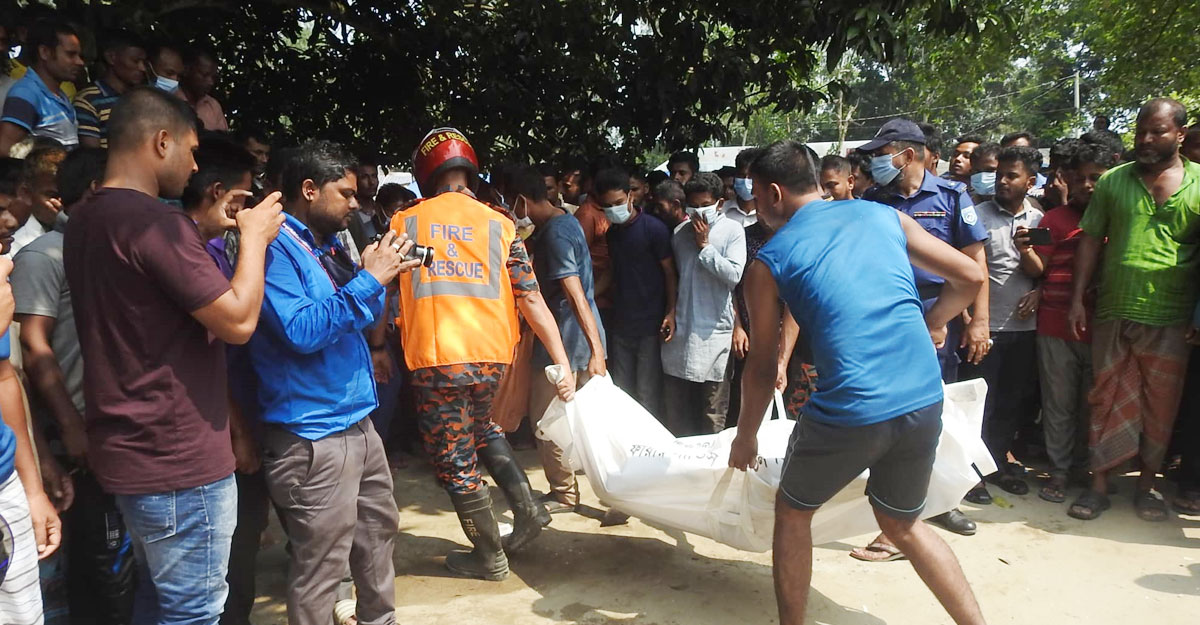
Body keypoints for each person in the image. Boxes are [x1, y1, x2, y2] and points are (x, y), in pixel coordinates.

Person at [729, 139, 986, 625]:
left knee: (792, 511)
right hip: (924, 394)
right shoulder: (881, 216)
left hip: (854, 406)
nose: (754, 202)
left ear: (774, 193)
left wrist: (746, 436)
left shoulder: (770, 261)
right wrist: (936, 321)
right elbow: (970, 276)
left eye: (755, 193)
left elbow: (762, 367)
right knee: (902, 524)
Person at [62, 87, 284, 625]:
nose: (192, 167)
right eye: (188, 151)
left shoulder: (86, 220)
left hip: (130, 450)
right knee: (194, 610)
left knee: (157, 599)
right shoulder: (156, 225)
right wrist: (253, 241)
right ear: (161, 142)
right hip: (178, 457)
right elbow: (236, 321)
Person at [390, 127, 574, 581]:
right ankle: (528, 510)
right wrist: (561, 359)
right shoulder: (500, 222)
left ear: (425, 172)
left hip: (438, 358)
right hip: (492, 358)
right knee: (480, 428)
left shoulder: (405, 222)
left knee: (453, 459)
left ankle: (489, 555)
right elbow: (531, 299)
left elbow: (381, 288)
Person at [246, 140, 415, 625]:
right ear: (308, 189)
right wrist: (369, 279)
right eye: (345, 193)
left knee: (378, 539)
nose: (356, 203)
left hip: (357, 423)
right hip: (311, 436)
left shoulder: (327, 246)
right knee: (322, 566)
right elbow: (301, 330)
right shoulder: (275, 249)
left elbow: (357, 319)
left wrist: (375, 275)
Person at [13, 146, 133, 625]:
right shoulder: (44, 256)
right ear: (93, 191)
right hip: (78, 439)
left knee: (121, 570)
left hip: (117, 433)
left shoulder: (110, 252)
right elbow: (34, 353)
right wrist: (70, 427)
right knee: (99, 573)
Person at [1066, 98, 1200, 523]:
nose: (1145, 139)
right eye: (1141, 130)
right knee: (1105, 398)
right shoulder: (1114, 182)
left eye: (1156, 131)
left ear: (1179, 134)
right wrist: (1076, 298)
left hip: (1173, 316)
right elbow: (1090, 240)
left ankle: (1146, 488)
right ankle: (1099, 486)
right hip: (1114, 310)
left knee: (1161, 405)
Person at [858, 118, 988, 544]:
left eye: (881, 155)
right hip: (886, 314)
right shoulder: (874, 200)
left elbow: (975, 265)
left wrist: (976, 321)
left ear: (907, 155)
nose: (875, 163)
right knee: (887, 411)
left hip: (938, 314)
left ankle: (939, 502)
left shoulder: (953, 197)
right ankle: (886, 505)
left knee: (931, 413)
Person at [510, 165, 608, 513]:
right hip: (580, 335)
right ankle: (611, 490)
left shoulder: (554, 234)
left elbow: (575, 292)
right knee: (580, 420)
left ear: (521, 200)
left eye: (510, 204)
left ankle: (564, 492)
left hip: (565, 340)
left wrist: (596, 351)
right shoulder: (566, 222)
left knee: (546, 418)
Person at [959, 146, 1045, 499]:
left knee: (1010, 403)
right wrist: (967, 318)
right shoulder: (975, 216)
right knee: (979, 404)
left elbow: (1043, 271)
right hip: (985, 329)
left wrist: (1030, 261)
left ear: (1031, 181)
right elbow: (962, 272)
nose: (1003, 182)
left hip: (1024, 330)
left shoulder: (1040, 221)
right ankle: (970, 475)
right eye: (999, 175)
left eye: (1012, 176)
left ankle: (994, 466)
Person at [1032, 142, 1116, 503]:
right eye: (1080, 178)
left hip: (1103, 328)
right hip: (1053, 325)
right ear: (1067, 179)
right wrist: (1026, 250)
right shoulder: (1049, 219)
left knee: (1094, 405)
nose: (1087, 185)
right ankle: (1059, 471)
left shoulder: (1119, 219)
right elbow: (1035, 267)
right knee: (1058, 404)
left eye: (1095, 178)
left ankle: (1089, 469)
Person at [661, 172, 745, 435]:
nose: (698, 211)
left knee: (712, 413)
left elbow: (734, 275)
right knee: (678, 410)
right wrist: (672, 312)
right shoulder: (679, 233)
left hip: (715, 333)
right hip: (683, 329)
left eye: (704, 205)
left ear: (719, 203)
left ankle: (712, 470)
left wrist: (706, 247)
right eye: (693, 206)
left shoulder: (732, 231)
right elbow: (677, 279)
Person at [605, 168, 676, 420]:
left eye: (617, 202)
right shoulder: (612, 234)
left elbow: (669, 273)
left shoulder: (654, 229)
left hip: (650, 322)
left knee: (647, 392)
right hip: (622, 321)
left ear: (630, 197)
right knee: (623, 392)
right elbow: (614, 272)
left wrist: (671, 311)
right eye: (607, 205)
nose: (614, 209)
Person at [0, 19, 83, 154]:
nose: (79, 62)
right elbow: (5, 150)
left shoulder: (58, 95)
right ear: (45, 52)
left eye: (79, 55)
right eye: (70, 54)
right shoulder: (26, 94)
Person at [74, 30, 147, 149]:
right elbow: (92, 156)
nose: (142, 68)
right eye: (135, 61)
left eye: (144, 62)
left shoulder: (142, 97)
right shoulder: (88, 101)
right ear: (111, 57)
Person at [6, 144, 66, 257]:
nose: (60, 204)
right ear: (26, 193)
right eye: (52, 195)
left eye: (66, 195)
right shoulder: (16, 243)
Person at [180, 46, 228, 131]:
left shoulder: (213, 106)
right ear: (186, 70)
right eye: (205, 75)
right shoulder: (168, 99)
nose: (210, 82)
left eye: (213, 78)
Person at [235, 126, 271, 195]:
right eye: (258, 153)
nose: (265, 160)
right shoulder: (228, 183)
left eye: (267, 154)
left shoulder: (265, 184)